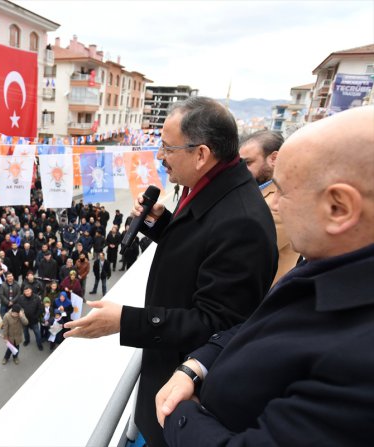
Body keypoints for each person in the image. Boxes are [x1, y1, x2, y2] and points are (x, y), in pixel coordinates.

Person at [65, 97, 277, 447]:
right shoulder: (212, 188)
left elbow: (219, 324)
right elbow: (200, 252)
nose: (160, 157)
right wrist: (161, 223)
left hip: (183, 394)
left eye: (167, 147)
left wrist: (124, 321)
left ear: (201, 154)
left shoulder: (242, 221)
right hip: (165, 380)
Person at [156, 105, 374, 445]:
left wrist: (180, 414)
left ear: (339, 208)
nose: (273, 205)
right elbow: (259, 325)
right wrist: (196, 366)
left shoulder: (361, 358)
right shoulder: (325, 266)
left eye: (283, 191)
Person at [239, 130, 300, 284]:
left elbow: (246, 252)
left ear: (274, 158)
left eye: (248, 163)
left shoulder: (282, 201)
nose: (241, 170)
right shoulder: (254, 190)